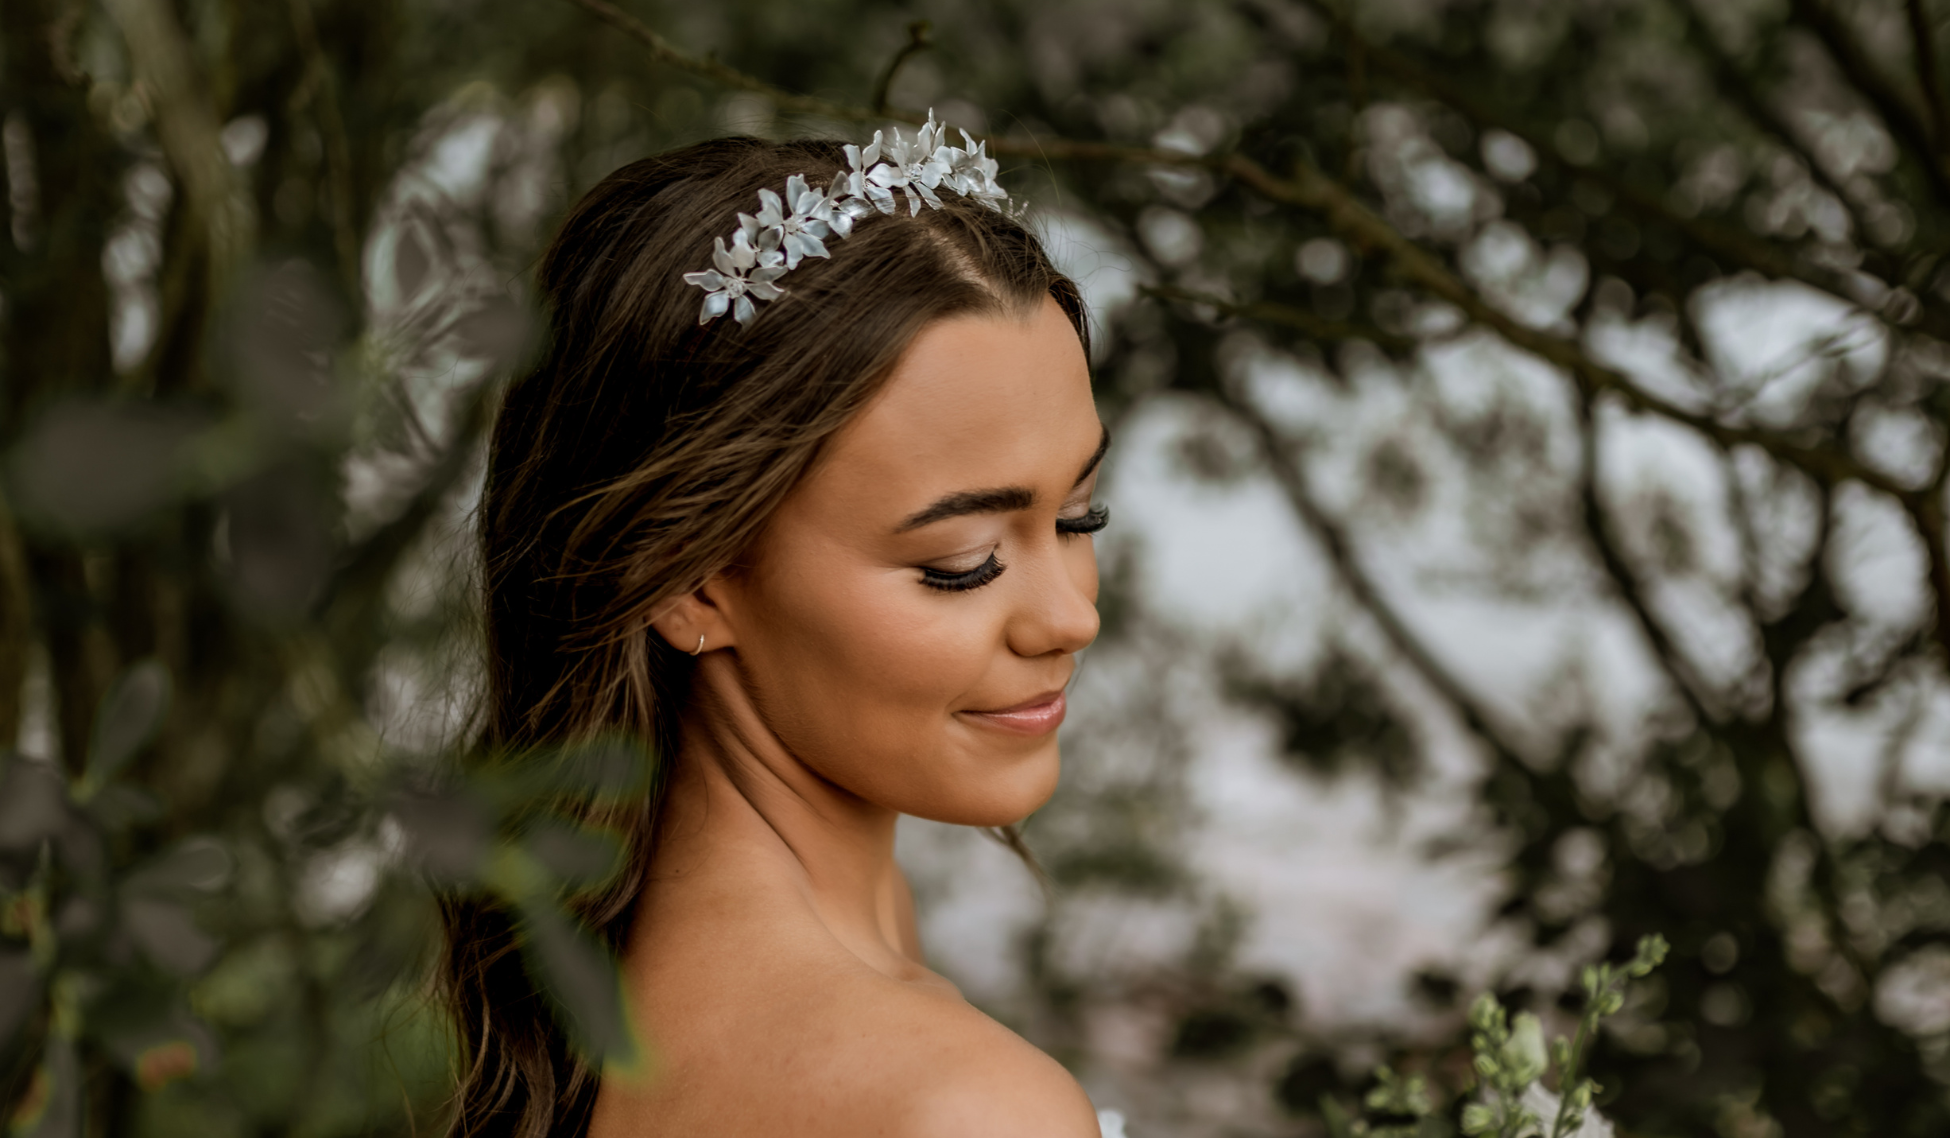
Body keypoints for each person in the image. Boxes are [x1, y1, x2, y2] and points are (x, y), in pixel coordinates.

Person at [441, 118, 1114, 1138]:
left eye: (1077, 518)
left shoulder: (616, 987)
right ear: (690, 581)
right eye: (962, 563)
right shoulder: (962, 1109)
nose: (1074, 615)